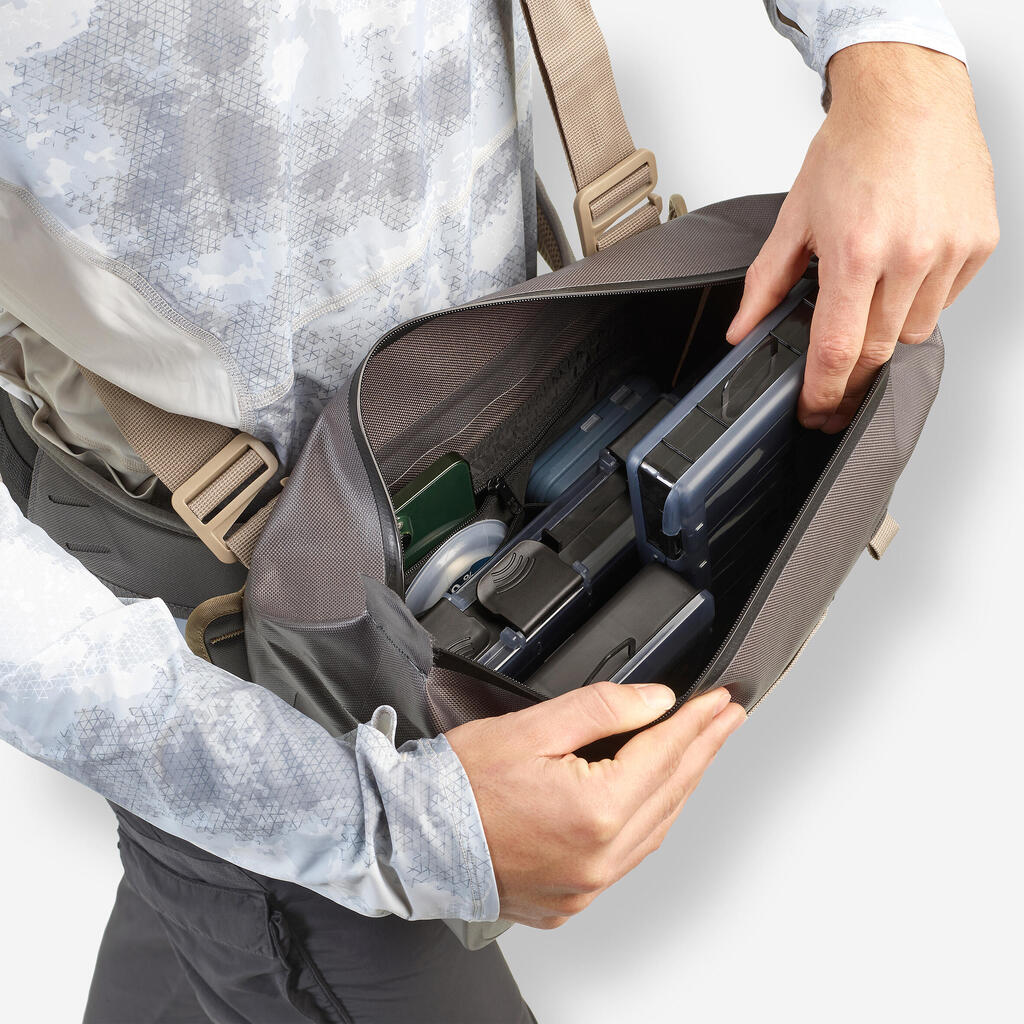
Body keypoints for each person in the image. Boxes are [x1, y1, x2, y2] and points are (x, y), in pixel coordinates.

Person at [0, 1, 997, 1021]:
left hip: (519, 376)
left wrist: (891, 50)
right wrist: (380, 825)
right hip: (247, 665)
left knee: (214, 927)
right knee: (245, 910)